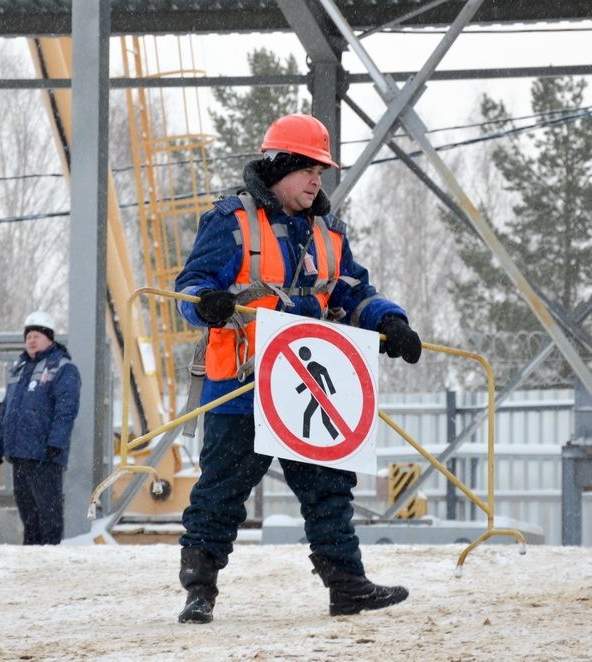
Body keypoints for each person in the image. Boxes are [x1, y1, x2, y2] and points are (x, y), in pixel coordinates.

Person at [173, 113, 422, 624]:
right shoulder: (231, 221)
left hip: (305, 388)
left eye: (321, 172)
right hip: (242, 386)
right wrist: (207, 303)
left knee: (329, 487)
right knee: (220, 493)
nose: (316, 180)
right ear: (278, 166)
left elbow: (351, 291)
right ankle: (199, 592)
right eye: (308, 169)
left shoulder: (329, 232)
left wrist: (389, 321)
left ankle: (347, 586)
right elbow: (190, 287)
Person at [0, 311, 81, 545]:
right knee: (28, 514)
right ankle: (31, 557)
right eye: (28, 335)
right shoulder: (18, 371)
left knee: (48, 513)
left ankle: (50, 557)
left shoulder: (63, 368)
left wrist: (55, 443)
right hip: (19, 455)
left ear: (49, 338)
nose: (31, 340)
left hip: (44, 455)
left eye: (37, 335)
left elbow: (65, 412)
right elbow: (6, 412)